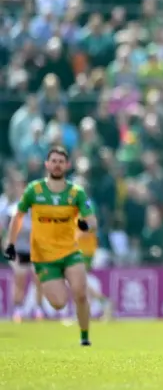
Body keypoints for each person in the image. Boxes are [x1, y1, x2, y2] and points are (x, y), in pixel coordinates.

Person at [3, 146, 98, 346]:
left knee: (80, 293)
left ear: (67, 165)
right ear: (47, 164)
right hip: (44, 256)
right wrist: (10, 243)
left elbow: (93, 222)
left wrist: (84, 224)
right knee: (59, 303)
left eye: (61, 161)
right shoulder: (34, 191)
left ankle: (85, 337)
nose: (57, 165)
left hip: (70, 251)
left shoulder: (76, 192)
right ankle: (56, 282)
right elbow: (18, 217)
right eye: (53, 161)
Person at [1, 175, 45, 322]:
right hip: (18, 249)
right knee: (19, 278)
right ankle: (18, 309)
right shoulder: (12, 209)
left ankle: (38, 308)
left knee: (38, 278)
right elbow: (6, 232)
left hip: (33, 249)